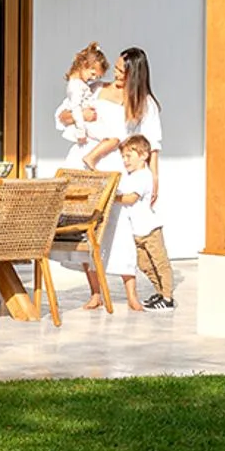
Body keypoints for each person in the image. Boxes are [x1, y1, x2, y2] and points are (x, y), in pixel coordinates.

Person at [76, 46, 163, 309]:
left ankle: (131, 295)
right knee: (90, 229)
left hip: (120, 166)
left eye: (122, 71)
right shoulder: (97, 89)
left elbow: (153, 144)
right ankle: (95, 292)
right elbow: (70, 112)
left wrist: (154, 178)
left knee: (122, 230)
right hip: (91, 164)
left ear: (135, 75)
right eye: (115, 67)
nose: (116, 74)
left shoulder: (144, 103)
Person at [105, 133, 174, 311]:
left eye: (129, 156)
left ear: (143, 155)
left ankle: (168, 297)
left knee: (160, 263)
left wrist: (112, 196)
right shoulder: (131, 176)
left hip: (150, 230)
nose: (125, 160)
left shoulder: (143, 176)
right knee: (145, 265)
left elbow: (130, 199)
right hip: (137, 232)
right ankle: (159, 292)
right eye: (123, 157)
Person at [54, 41, 108, 153]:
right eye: (92, 74)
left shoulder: (81, 84)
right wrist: (81, 131)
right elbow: (76, 109)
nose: (93, 79)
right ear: (84, 65)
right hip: (83, 126)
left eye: (96, 77)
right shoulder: (75, 86)